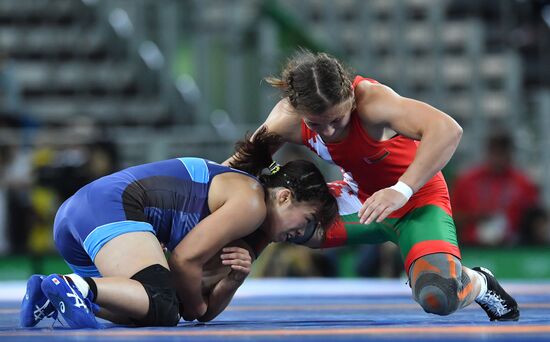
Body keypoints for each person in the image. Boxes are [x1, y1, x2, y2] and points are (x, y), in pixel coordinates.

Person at [225, 50, 519, 321]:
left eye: (336, 120)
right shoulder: (286, 119)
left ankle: (481, 283)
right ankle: (208, 279)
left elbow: (448, 130)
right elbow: (237, 167)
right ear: (298, 110)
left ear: (350, 97)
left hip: (416, 200)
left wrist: (401, 190)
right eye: (315, 125)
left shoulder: (374, 102)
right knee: (271, 213)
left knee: (438, 296)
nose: (328, 132)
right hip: (361, 200)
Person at [20, 127, 338, 329]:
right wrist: (192, 304)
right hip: (107, 207)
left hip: (84, 220)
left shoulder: (257, 230)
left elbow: (202, 311)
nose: (301, 234)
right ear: (284, 197)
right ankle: (75, 287)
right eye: (307, 221)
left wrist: (234, 281)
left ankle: (51, 296)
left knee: (148, 312)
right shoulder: (251, 202)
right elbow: (185, 265)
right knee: (163, 303)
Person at [451, 131, 539, 246]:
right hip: (472, 246)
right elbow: (450, 217)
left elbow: (534, 219)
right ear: (488, 152)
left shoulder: (523, 183)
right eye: (495, 153)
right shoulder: (467, 180)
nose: (498, 158)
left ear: (510, 154)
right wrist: (475, 217)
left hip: (513, 248)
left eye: (502, 153)